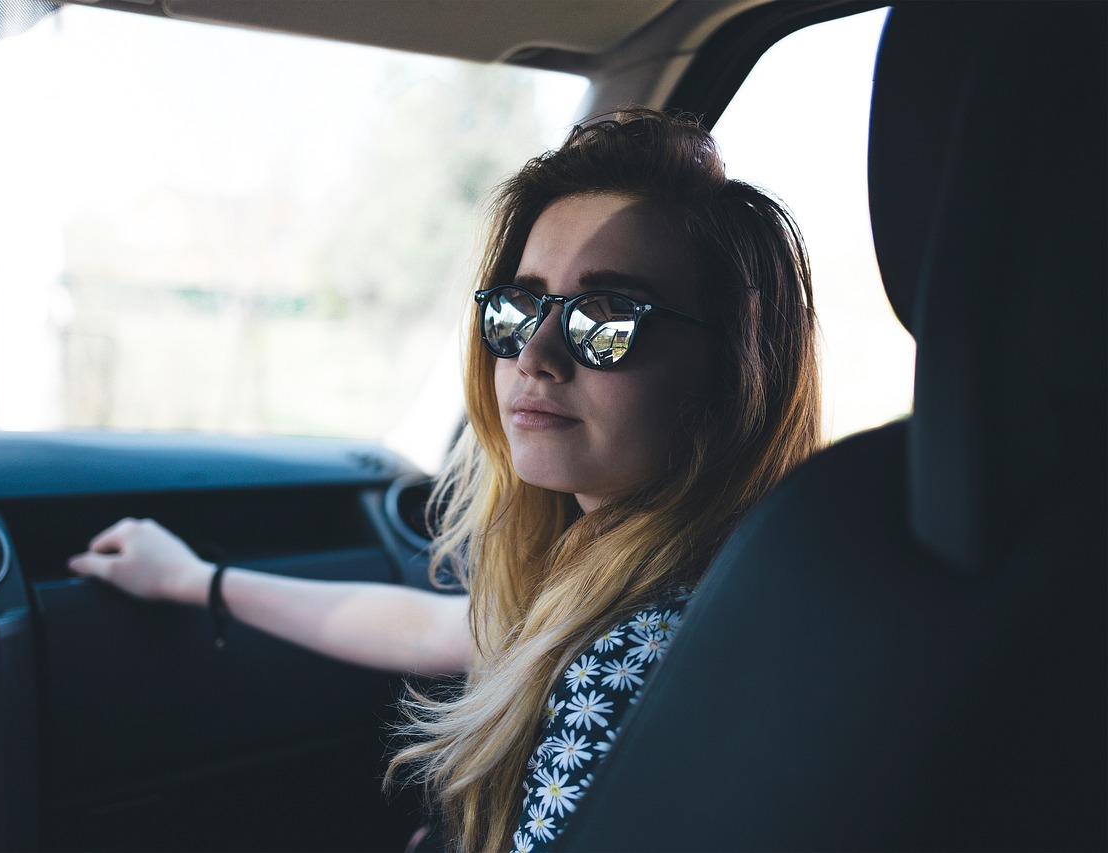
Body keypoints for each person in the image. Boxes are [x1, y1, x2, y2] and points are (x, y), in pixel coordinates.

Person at [69, 107, 821, 853]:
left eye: (609, 316)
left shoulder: (630, 662)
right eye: (521, 306)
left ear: (735, 371)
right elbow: (435, 626)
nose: (535, 353)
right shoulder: (635, 579)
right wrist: (197, 579)